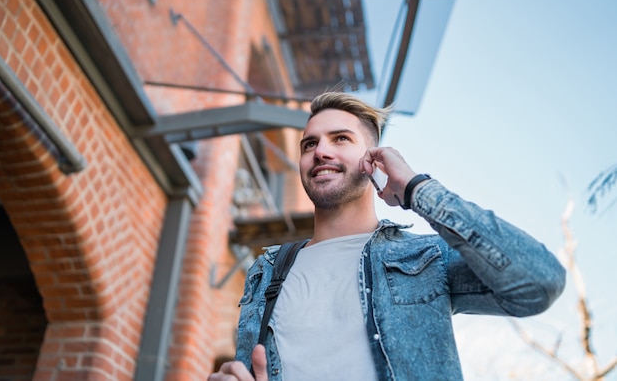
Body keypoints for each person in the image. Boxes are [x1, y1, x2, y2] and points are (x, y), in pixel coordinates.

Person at [208, 92, 566, 381]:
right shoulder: (267, 270)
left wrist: (416, 189)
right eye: (309, 144)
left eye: (341, 139)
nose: (320, 151)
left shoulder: (424, 260)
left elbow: (539, 283)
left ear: (374, 160)